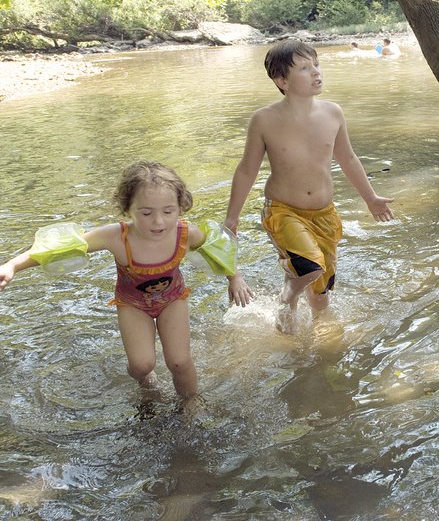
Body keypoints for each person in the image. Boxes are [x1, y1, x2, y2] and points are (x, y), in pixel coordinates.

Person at [0, 161, 216, 404]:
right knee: (141, 365)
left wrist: (235, 278)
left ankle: (191, 403)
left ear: (180, 206)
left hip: (172, 299)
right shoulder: (116, 237)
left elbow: (218, 249)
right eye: (146, 213)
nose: (159, 222)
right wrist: (13, 265)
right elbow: (61, 247)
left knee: (179, 361)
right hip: (133, 305)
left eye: (168, 211)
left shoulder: (186, 233)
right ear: (127, 209)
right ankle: (147, 387)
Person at [224, 39, 394, 333]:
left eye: (316, 64)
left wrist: (371, 198)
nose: (316, 72)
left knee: (321, 293)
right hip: (283, 211)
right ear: (282, 80)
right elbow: (246, 170)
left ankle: (307, 344)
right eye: (304, 68)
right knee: (309, 265)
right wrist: (231, 219)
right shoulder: (264, 120)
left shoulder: (333, 113)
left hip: (324, 214)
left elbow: (349, 159)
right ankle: (289, 293)